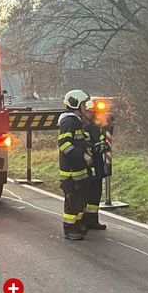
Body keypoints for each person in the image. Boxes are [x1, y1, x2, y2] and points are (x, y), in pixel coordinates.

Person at [57, 89, 93, 240]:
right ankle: (70, 228)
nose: (86, 107)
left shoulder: (76, 121)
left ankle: (77, 224)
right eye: (84, 104)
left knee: (80, 198)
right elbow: (64, 144)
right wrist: (82, 155)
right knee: (72, 200)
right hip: (70, 171)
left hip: (78, 169)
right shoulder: (68, 121)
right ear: (76, 104)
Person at [81, 99, 110, 230]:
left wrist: (103, 145)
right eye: (90, 112)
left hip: (97, 163)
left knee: (96, 192)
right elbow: (83, 144)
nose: (92, 114)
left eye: (93, 112)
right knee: (85, 192)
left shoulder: (94, 125)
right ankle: (82, 221)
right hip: (87, 164)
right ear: (84, 111)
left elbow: (100, 140)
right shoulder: (81, 125)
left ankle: (93, 220)